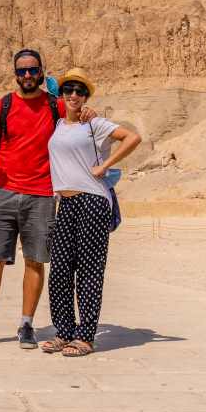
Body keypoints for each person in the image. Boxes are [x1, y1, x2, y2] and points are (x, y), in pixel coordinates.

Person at [0, 48, 94, 350]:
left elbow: (80, 122)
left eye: (32, 70)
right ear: (15, 73)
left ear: (41, 71)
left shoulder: (55, 106)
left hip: (41, 195)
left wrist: (89, 114)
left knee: (35, 261)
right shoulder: (3, 106)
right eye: (21, 71)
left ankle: (26, 324)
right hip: (3, 193)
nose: (27, 76)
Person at [40, 68, 141, 357]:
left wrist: (104, 165)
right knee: (59, 270)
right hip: (66, 203)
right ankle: (64, 331)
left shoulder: (94, 123)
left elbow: (132, 138)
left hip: (93, 200)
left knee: (89, 270)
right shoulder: (58, 124)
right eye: (69, 89)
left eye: (80, 91)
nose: (74, 95)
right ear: (62, 94)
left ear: (86, 97)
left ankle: (85, 337)